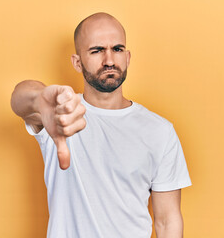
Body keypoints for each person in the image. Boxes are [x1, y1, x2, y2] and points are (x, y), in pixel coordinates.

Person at [11, 12, 192, 238]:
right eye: (96, 51)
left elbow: (167, 222)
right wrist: (39, 98)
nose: (109, 60)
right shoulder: (62, 114)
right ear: (77, 62)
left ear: (127, 57)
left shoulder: (159, 131)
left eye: (116, 49)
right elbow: (20, 98)